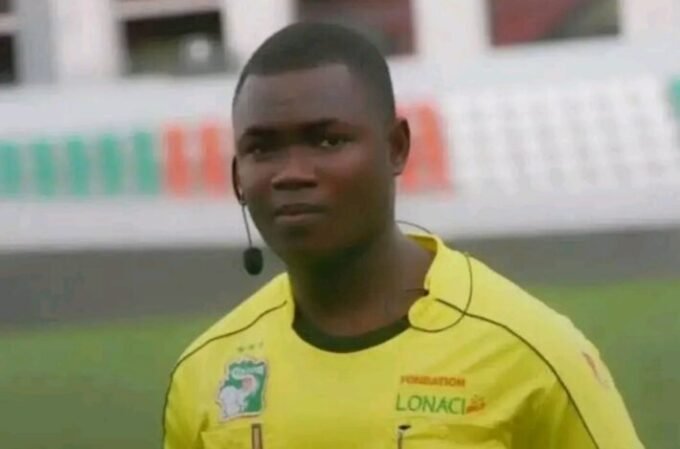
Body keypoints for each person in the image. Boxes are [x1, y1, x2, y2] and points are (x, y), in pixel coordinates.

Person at [163, 22, 644, 449]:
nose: (292, 173)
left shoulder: (530, 353)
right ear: (237, 177)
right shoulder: (206, 371)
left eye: (328, 140)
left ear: (396, 148)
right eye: (262, 148)